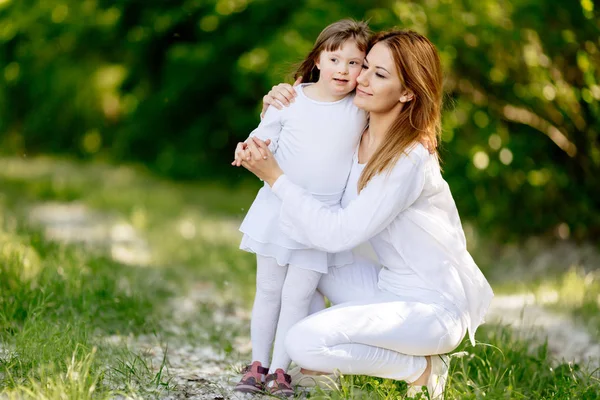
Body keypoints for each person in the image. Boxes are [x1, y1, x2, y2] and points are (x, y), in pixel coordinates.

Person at [241, 29, 494, 399]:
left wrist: (275, 179)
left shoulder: (408, 158)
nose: (359, 77)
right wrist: (277, 104)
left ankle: (421, 369)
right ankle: (312, 369)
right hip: (383, 286)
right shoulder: (357, 128)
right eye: (365, 66)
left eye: (379, 74)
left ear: (408, 92)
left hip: (429, 307)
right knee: (303, 262)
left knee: (303, 340)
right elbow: (312, 117)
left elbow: (338, 234)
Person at [232, 19, 371, 396]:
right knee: (269, 290)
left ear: (365, 70)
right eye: (335, 58)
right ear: (318, 59)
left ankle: (281, 370)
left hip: (319, 217)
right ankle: (257, 364)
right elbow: (260, 137)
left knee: (298, 295)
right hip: (277, 209)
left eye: (355, 63)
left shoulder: (360, 109)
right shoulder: (291, 99)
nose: (343, 69)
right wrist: (246, 149)